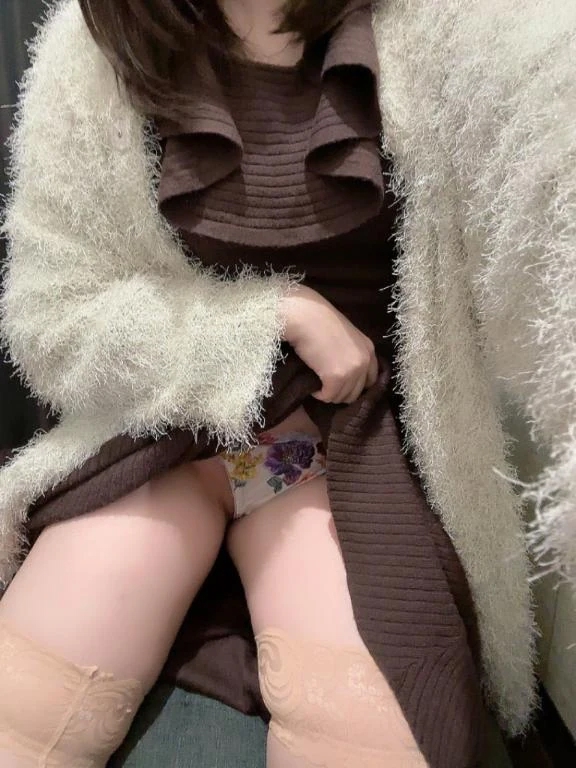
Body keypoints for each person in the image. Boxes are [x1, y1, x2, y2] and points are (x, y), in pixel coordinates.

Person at [0, 0, 575, 766]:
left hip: (337, 456)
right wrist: (275, 316)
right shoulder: (94, 45)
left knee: (369, 734)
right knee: (26, 712)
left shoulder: (444, 26)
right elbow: (50, 318)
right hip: (157, 442)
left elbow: (549, 166)